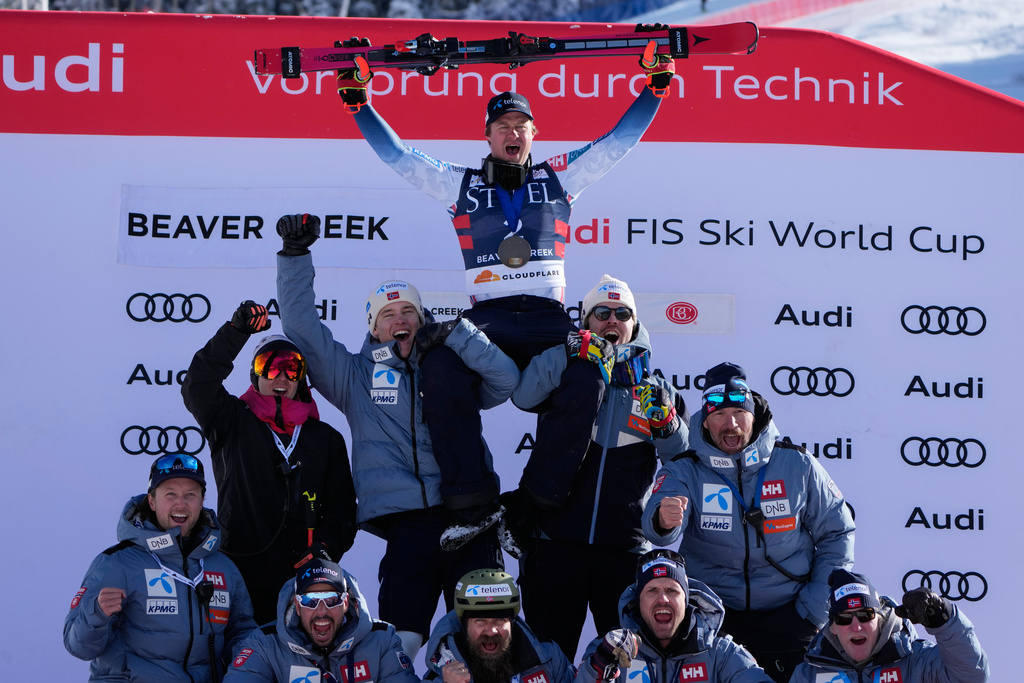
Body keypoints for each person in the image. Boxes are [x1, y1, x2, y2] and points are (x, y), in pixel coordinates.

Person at [334, 41, 677, 546]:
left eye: (521, 125)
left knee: (589, 374)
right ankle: (472, 503)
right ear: (488, 135)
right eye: (502, 126)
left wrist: (655, 87)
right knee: (439, 367)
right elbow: (399, 157)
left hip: (547, 318)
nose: (512, 133)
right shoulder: (460, 184)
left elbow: (617, 143)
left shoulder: (559, 178)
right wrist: (359, 103)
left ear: (534, 133)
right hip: (488, 321)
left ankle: (530, 507)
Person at [276, 214, 520, 660]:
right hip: (408, 524)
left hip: (471, 515)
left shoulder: (450, 367)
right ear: (374, 327)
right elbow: (303, 330)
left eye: (409, 311)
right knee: (400, 642)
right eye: (388, 314)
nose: (399, 319)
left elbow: (505, 379)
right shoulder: (354, 376)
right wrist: (295, 257)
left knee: (484, 638)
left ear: (422, 319)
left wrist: (458, 336)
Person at [509, 274, 690, 659]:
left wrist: (668, 424)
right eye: (602, 312)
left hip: (622, 550)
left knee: (623, 665)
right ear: (587, 321)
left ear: (634, 324)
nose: (612, 320)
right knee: (547, 661)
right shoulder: (568, 369)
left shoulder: (657, 389)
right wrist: (567, 352)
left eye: (622, 314)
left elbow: (681, 461)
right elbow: (523, 396)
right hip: (554, 543)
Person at [641, 362, 855, 683]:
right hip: (714, 619)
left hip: (792, 615)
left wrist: (813, 610)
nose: (731, 424)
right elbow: (657, 527)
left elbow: (837, 532)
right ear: (705, 421)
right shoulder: (686, 468)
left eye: (739, 412)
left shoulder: (796, 463)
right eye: (719, 414)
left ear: (754, 415)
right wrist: (663, 519)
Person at [182, 301, 358, 625]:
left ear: (301, 378)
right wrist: (236, 332)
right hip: (239, 574)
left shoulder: (326, 439)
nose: (282, 376)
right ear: (255, 374)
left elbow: (343, 510)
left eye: (292, 367)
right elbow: (198, 385)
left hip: (302, 583)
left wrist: (324, 548)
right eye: (270, 365)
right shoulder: (231, 420)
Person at [64, 454, 257, 682]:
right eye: (170, 494)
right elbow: (79, 647)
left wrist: (244, 672)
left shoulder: (223, 567)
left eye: (190, 495)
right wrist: (96, 614)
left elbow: (242, 633)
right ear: (152, 502)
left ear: (201, 501)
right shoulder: (116, 562)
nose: (181, 504)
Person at [577, 549, 773, 683]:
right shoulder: (608, 649)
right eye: (652, 590)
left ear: (686, 600)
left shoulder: (720, 652)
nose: (663, 599)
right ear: (638, 602)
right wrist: (601, 663)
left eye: (672, 590)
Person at [224, 558, 422, 683]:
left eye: (331, 599)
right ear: (297, 606)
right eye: (310, 601)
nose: (321, 612)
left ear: (345, 603)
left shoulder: (381, 640)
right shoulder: (265, 644)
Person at [790, 568, 989, 683]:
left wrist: (943, 619)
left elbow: (971, 676)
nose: (856, 626)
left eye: (865, 615)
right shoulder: (808, 674)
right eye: (844, 618)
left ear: (880, 618)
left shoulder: (915, 661)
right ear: (833, 627)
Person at [422, 569, 574, 683]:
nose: (491, 631)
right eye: (480, 621)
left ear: (512, 623)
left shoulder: (550, 658)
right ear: (464, 626)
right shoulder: (443, 674)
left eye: (500, 620)